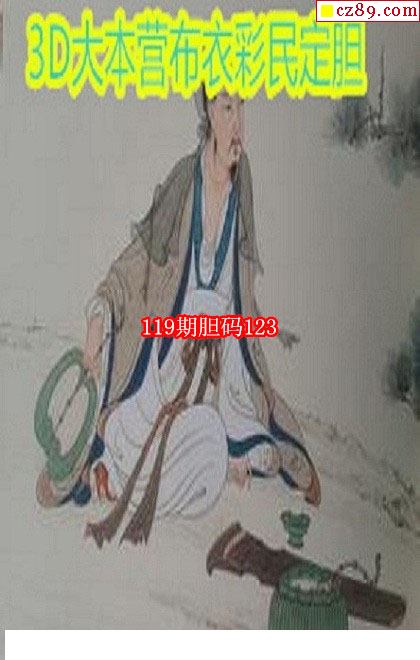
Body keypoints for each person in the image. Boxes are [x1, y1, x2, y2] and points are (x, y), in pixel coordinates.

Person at [77, 85, 320, 545]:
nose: (238, 123)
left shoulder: (243, 186)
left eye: (242, 108)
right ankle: (125, 473)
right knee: (134, 429)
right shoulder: (183, 182)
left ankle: (142, 481)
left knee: (232, 444)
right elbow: (136, 263)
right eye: (228, 108)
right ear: (209, 111)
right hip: (170, 354)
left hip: (222, 365)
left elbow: (240, 291)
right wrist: (100, 311)